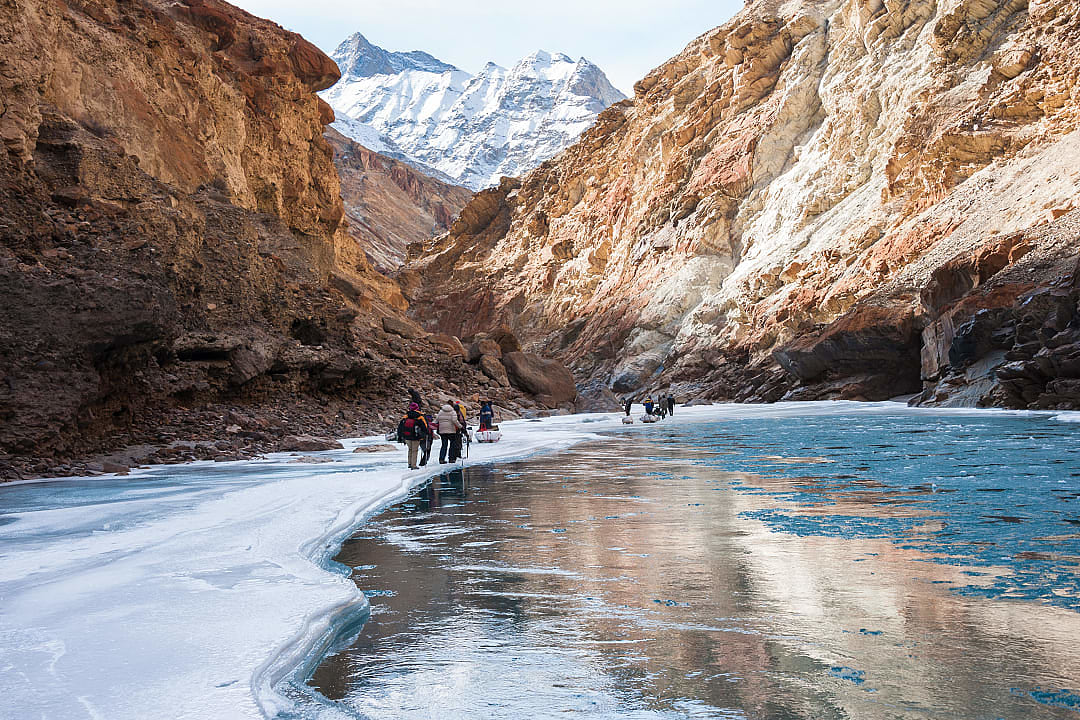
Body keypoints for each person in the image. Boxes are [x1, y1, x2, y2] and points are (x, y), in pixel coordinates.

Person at [397, 402, 429, 470]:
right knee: (414, 450)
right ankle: (413, 465)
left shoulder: (406, 416)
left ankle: (409, 463)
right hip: (416, 436)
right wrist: (426, 434)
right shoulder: (419, 416)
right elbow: (424, 427)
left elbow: (400, 427)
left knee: (410, 450)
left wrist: (400, 436)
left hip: (407, 436)